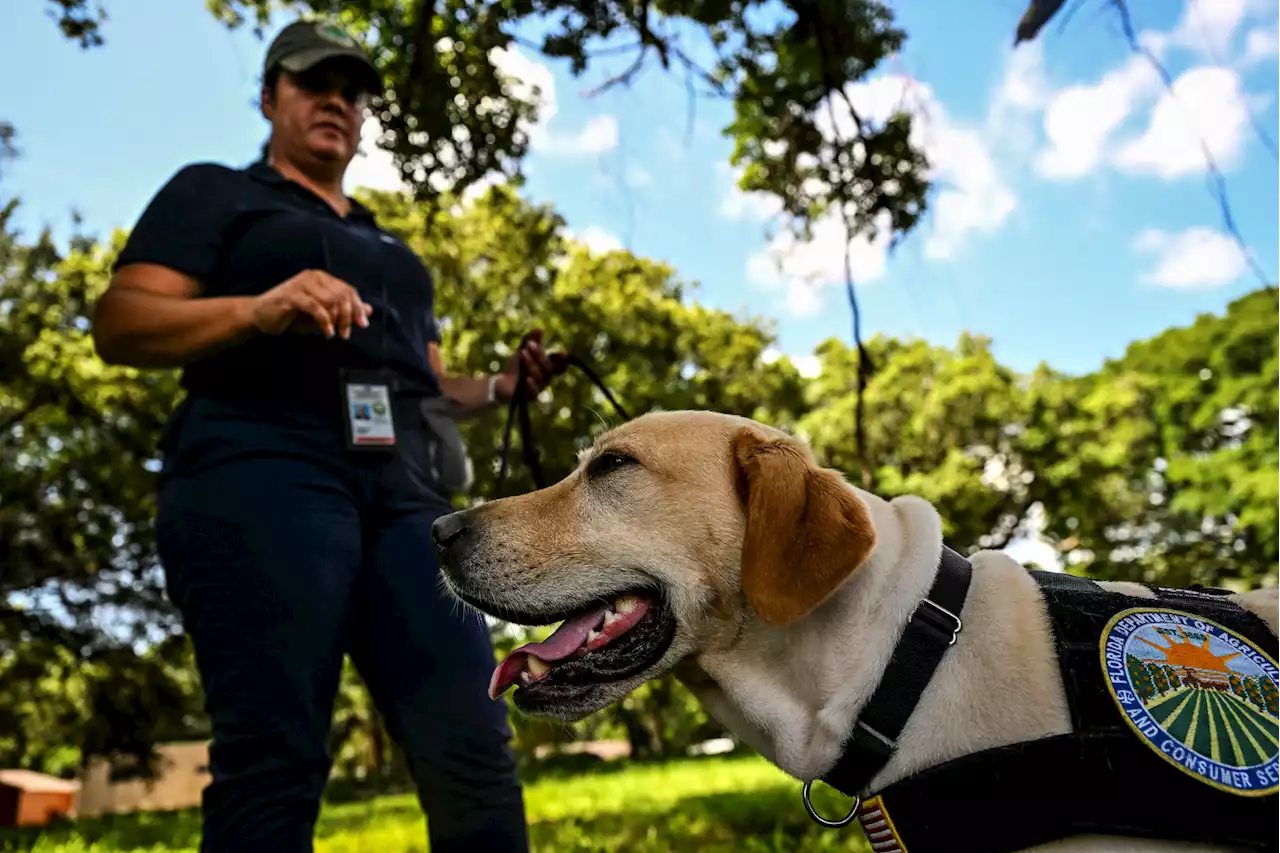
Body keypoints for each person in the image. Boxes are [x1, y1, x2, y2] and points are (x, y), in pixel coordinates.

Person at [91, 17, 555, 853]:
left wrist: (503, 387)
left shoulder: (391, 244)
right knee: (275, 753)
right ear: (270, 97)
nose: (336, 100)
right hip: (259, 468)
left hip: (406, 491)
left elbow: (429, 379)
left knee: (474, 739)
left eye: (351, 89)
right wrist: (260, 307)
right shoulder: (217, 194)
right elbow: (122, 324)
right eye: (313, 83)